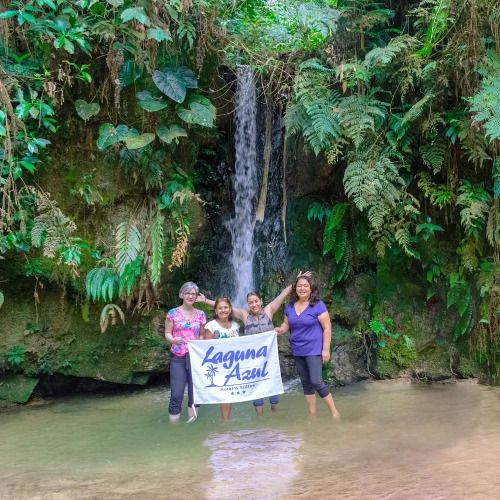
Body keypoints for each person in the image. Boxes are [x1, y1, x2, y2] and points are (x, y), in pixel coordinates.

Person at [197, 272, 310, 414]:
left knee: (273, 392)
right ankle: (260, 418)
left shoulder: (269, 311)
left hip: (269, 359)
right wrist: (205, 300)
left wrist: (297, 282)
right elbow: (223, 306)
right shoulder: (244, 315)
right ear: (248, 304)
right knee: (256, 392)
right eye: (251, 302)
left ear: (261, 301)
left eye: (256, 301)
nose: (254, 304)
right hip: (252, 361)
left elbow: (282, 295)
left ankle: (275, 414)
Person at [275, 275, 340, 418]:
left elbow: (327, 327)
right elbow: (286, 323)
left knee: (316, 381)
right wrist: (281, 329)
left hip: (314, 349)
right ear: (295, 288)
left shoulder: (318, 305)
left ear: (311, 288)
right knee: (306, 383)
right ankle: (312, 414)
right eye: (299, 286)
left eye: (305, 286)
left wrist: (326, 350)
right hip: (297, 349)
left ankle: (334, 412)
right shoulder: (290, 305)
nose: (302, 288)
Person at [164, 281, 206, 423]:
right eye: (188, 293)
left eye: (193, 294)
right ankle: (174, 428)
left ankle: (191, 423)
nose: (191, 296)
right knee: (177, 393)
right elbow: (167, 333)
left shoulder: (201, 315)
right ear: (182, 294)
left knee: (195, 393)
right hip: (178, 357)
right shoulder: (172, 313)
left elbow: (202, 334)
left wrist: (200, 340)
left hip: (195, 358)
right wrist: (172, 339)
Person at [204, 297, 240, 421]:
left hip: (233, 365)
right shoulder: (211, 326)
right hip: (218, 366)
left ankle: (227, 422)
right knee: (225, 394)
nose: (223, 310)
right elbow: (206, 348)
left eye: (226, 307)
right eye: (220, 308)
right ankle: (225, 422)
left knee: (230, 393)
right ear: (216, 310)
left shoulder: (236, 326)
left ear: (230, 309)